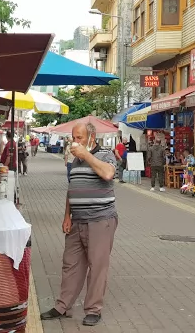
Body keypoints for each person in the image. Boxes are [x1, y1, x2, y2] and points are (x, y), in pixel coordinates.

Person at [40, 123, 117, 327]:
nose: (76, 141)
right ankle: (62, 306)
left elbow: (108, 174)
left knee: (97, 266)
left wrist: (87, 155)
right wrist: (67, 215)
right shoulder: (75, 161)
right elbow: (72, 188)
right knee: (70, 264)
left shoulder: (105, 154)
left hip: (100, 220)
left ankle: (93, 309)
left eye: (80, 137)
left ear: (92, 137)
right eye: (74, 137)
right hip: (77, 220)